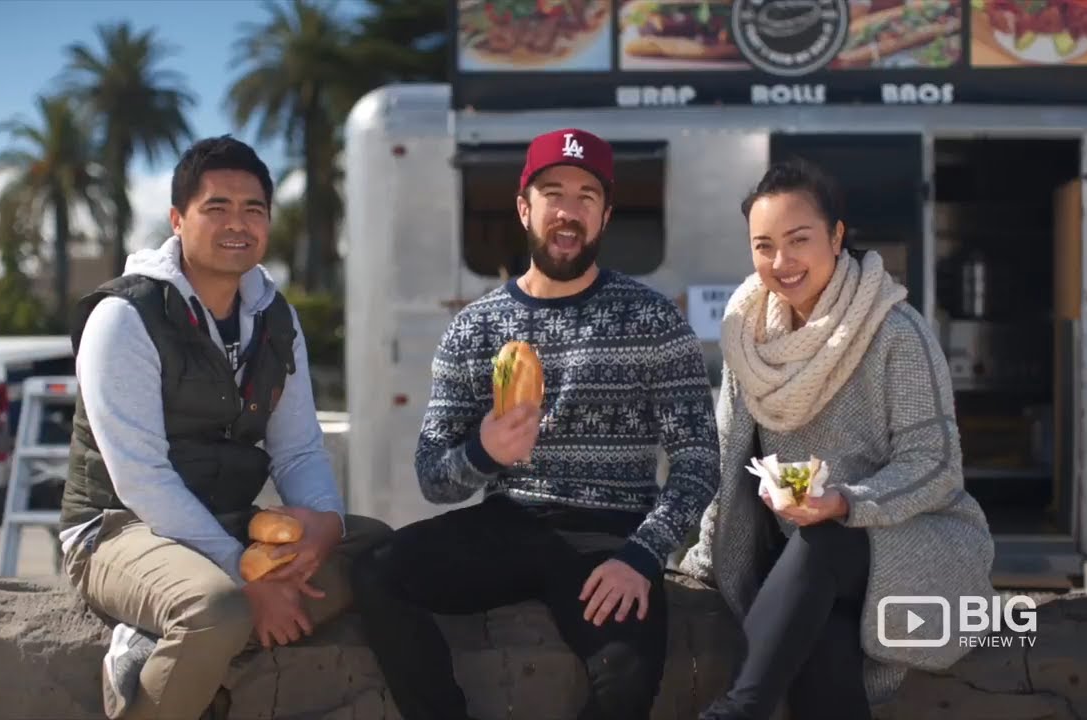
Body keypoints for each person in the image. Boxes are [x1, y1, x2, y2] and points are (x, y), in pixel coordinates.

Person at [350, 128, 722, 720]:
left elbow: (700, 460)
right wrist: (483, 451)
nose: (568, 212)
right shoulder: (476, 327)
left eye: (586, 196)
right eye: (554, 193)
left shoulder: (651, 318)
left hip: (613, 534)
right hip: (510, 522)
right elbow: (432, 477)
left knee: (625, 684)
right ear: (525, 207)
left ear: (605, 215)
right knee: (375, 573)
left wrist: (644, 556)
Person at [58, 135, 390, 720]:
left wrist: (322, 528)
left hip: (222, 521)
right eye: (217, 207)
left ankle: (155, 636)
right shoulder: (124, 317)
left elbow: (297, 452)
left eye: (254, 209)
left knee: (376, 549)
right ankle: (175, 631)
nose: (238, 223)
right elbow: (140, 478)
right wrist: (245, 576)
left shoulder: (275, 317)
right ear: (178, 220)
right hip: (117, 526)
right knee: (218, 609)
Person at [678, 158, 996, 720]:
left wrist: (847, 502)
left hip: (905, 540)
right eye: (763, 245)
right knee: (819, 650)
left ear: (837, 236)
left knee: (825, 540)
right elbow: (730, 459)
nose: (781, 262)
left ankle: (737, 710)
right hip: (805, 565)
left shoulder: (895, 332)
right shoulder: (747, 340)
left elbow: (936, 464)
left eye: (799, 240)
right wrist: (706, 556)